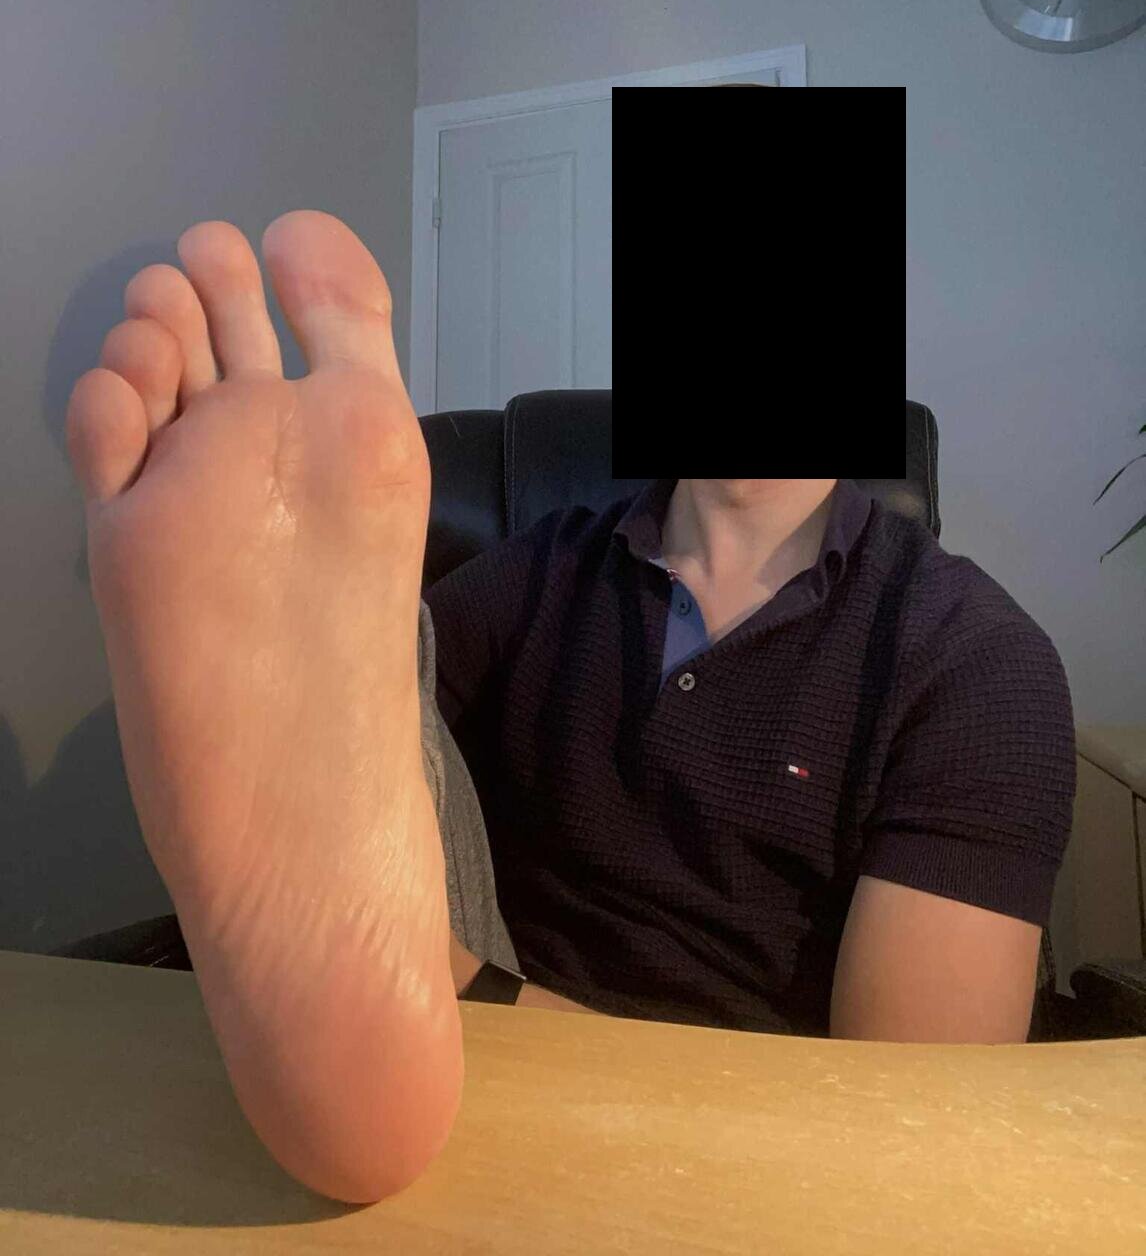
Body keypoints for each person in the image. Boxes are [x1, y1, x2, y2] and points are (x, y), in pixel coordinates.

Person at [64, 202, 1075, 1201]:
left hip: (738, 1152)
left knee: (365, 668)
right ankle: (288, 643)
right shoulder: (550, 561)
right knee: (374, 668)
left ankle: (364, 981)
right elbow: (383, 723)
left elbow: (905, 1126)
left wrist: (463, 980)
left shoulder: (976, 660)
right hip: (451, 1059)